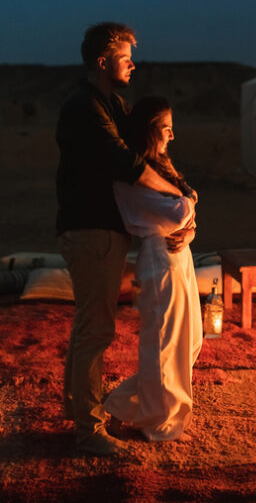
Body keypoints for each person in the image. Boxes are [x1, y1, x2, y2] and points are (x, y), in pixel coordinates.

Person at [56, 22, 190, 456]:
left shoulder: (110, 104)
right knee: (95, 330)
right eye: (125, 56)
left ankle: (76, 408)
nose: (133, 63)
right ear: (102, 61)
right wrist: (180, 196)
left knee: (89, 328)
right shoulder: (84, 107)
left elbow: (143, 153)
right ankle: (88, 431)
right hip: (91, 229)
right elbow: (126, 163)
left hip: (103, 229)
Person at [104, 96, 202, 441]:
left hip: (179, 255)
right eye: (166, 128)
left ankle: (119, 405)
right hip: (159, 259)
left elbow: (183, 214)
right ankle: (159, 424)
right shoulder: (130, 177)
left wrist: (187, 224)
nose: (172, 136)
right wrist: (187, 206)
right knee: (165, 344)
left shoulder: (160, 169)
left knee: (190, 341)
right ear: (149, 131)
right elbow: (178, 212)